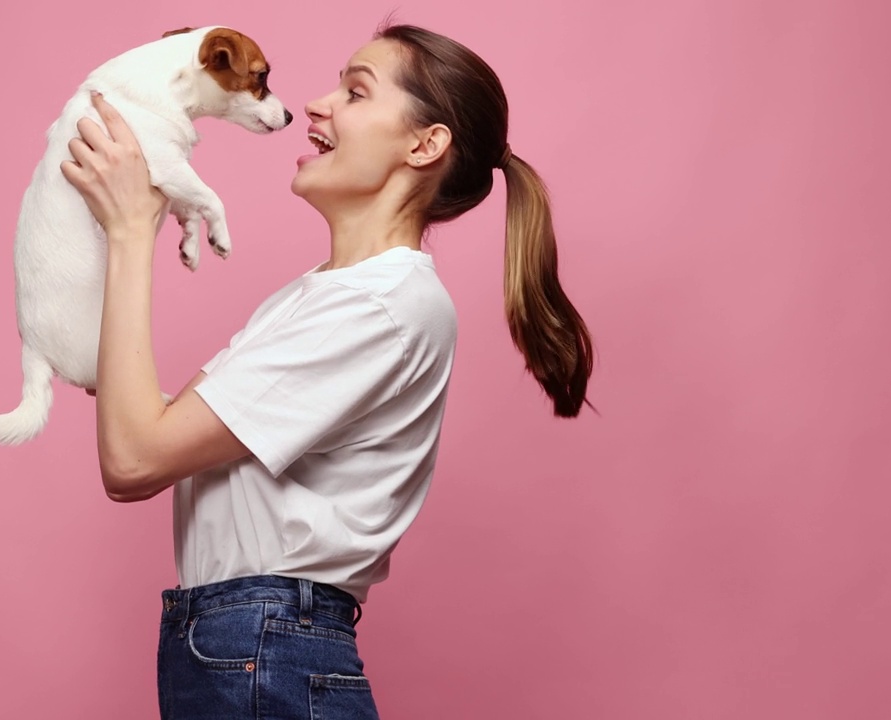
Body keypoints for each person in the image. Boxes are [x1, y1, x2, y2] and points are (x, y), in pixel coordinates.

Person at [60, 21, 594, 719]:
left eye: (355, 91)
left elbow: (134, 460)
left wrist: (134, 229)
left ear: (424, 144)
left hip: (262, 649)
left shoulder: (380, 306)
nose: (316, 104)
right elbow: (165, 436)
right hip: (238, 644)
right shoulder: (324, 295)